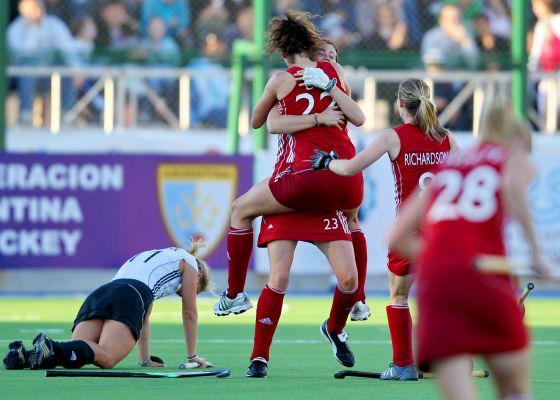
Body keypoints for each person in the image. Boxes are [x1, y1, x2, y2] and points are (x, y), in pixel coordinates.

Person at [388, 105, 552, 400]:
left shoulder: (449, 164)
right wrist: (537, 254)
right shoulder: (510, 157)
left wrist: (442, 260)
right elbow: (514, 185)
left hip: (437, 287)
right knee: (514, 390)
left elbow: (396, 235)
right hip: (485, 283)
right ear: (517, 138)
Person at [213, 12, 366, 320]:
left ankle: (235, 294)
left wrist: (282, 104)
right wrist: (324, 104)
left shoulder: (281, 79)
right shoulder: (334, 71)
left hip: (302, 175)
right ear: (310, 45)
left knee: (240, 210)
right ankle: (358, 299)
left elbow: (258, 122)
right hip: (346, 171)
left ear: (283, 52)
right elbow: (356, 117)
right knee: (352, 221)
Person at [312, 78, 458, 380]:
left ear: (400, 104)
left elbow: (350, 168)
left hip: (410, 232)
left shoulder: (394, 137)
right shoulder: (446, 138)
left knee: (399, 296)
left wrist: (326, 162)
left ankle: (403, 365)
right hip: (443, 231)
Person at [3, 244, 212, 370]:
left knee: (76, 352)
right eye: (197, 289)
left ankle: (25, 355)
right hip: (130, 295)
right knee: (108, 357)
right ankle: (51, 345)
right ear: (199, 275)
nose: (190, 293)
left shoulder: (158, 258)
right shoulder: (190, 263)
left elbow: (144, 318)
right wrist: (192, 356)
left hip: (103, 292)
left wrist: (145, 359)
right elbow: (189, 312)